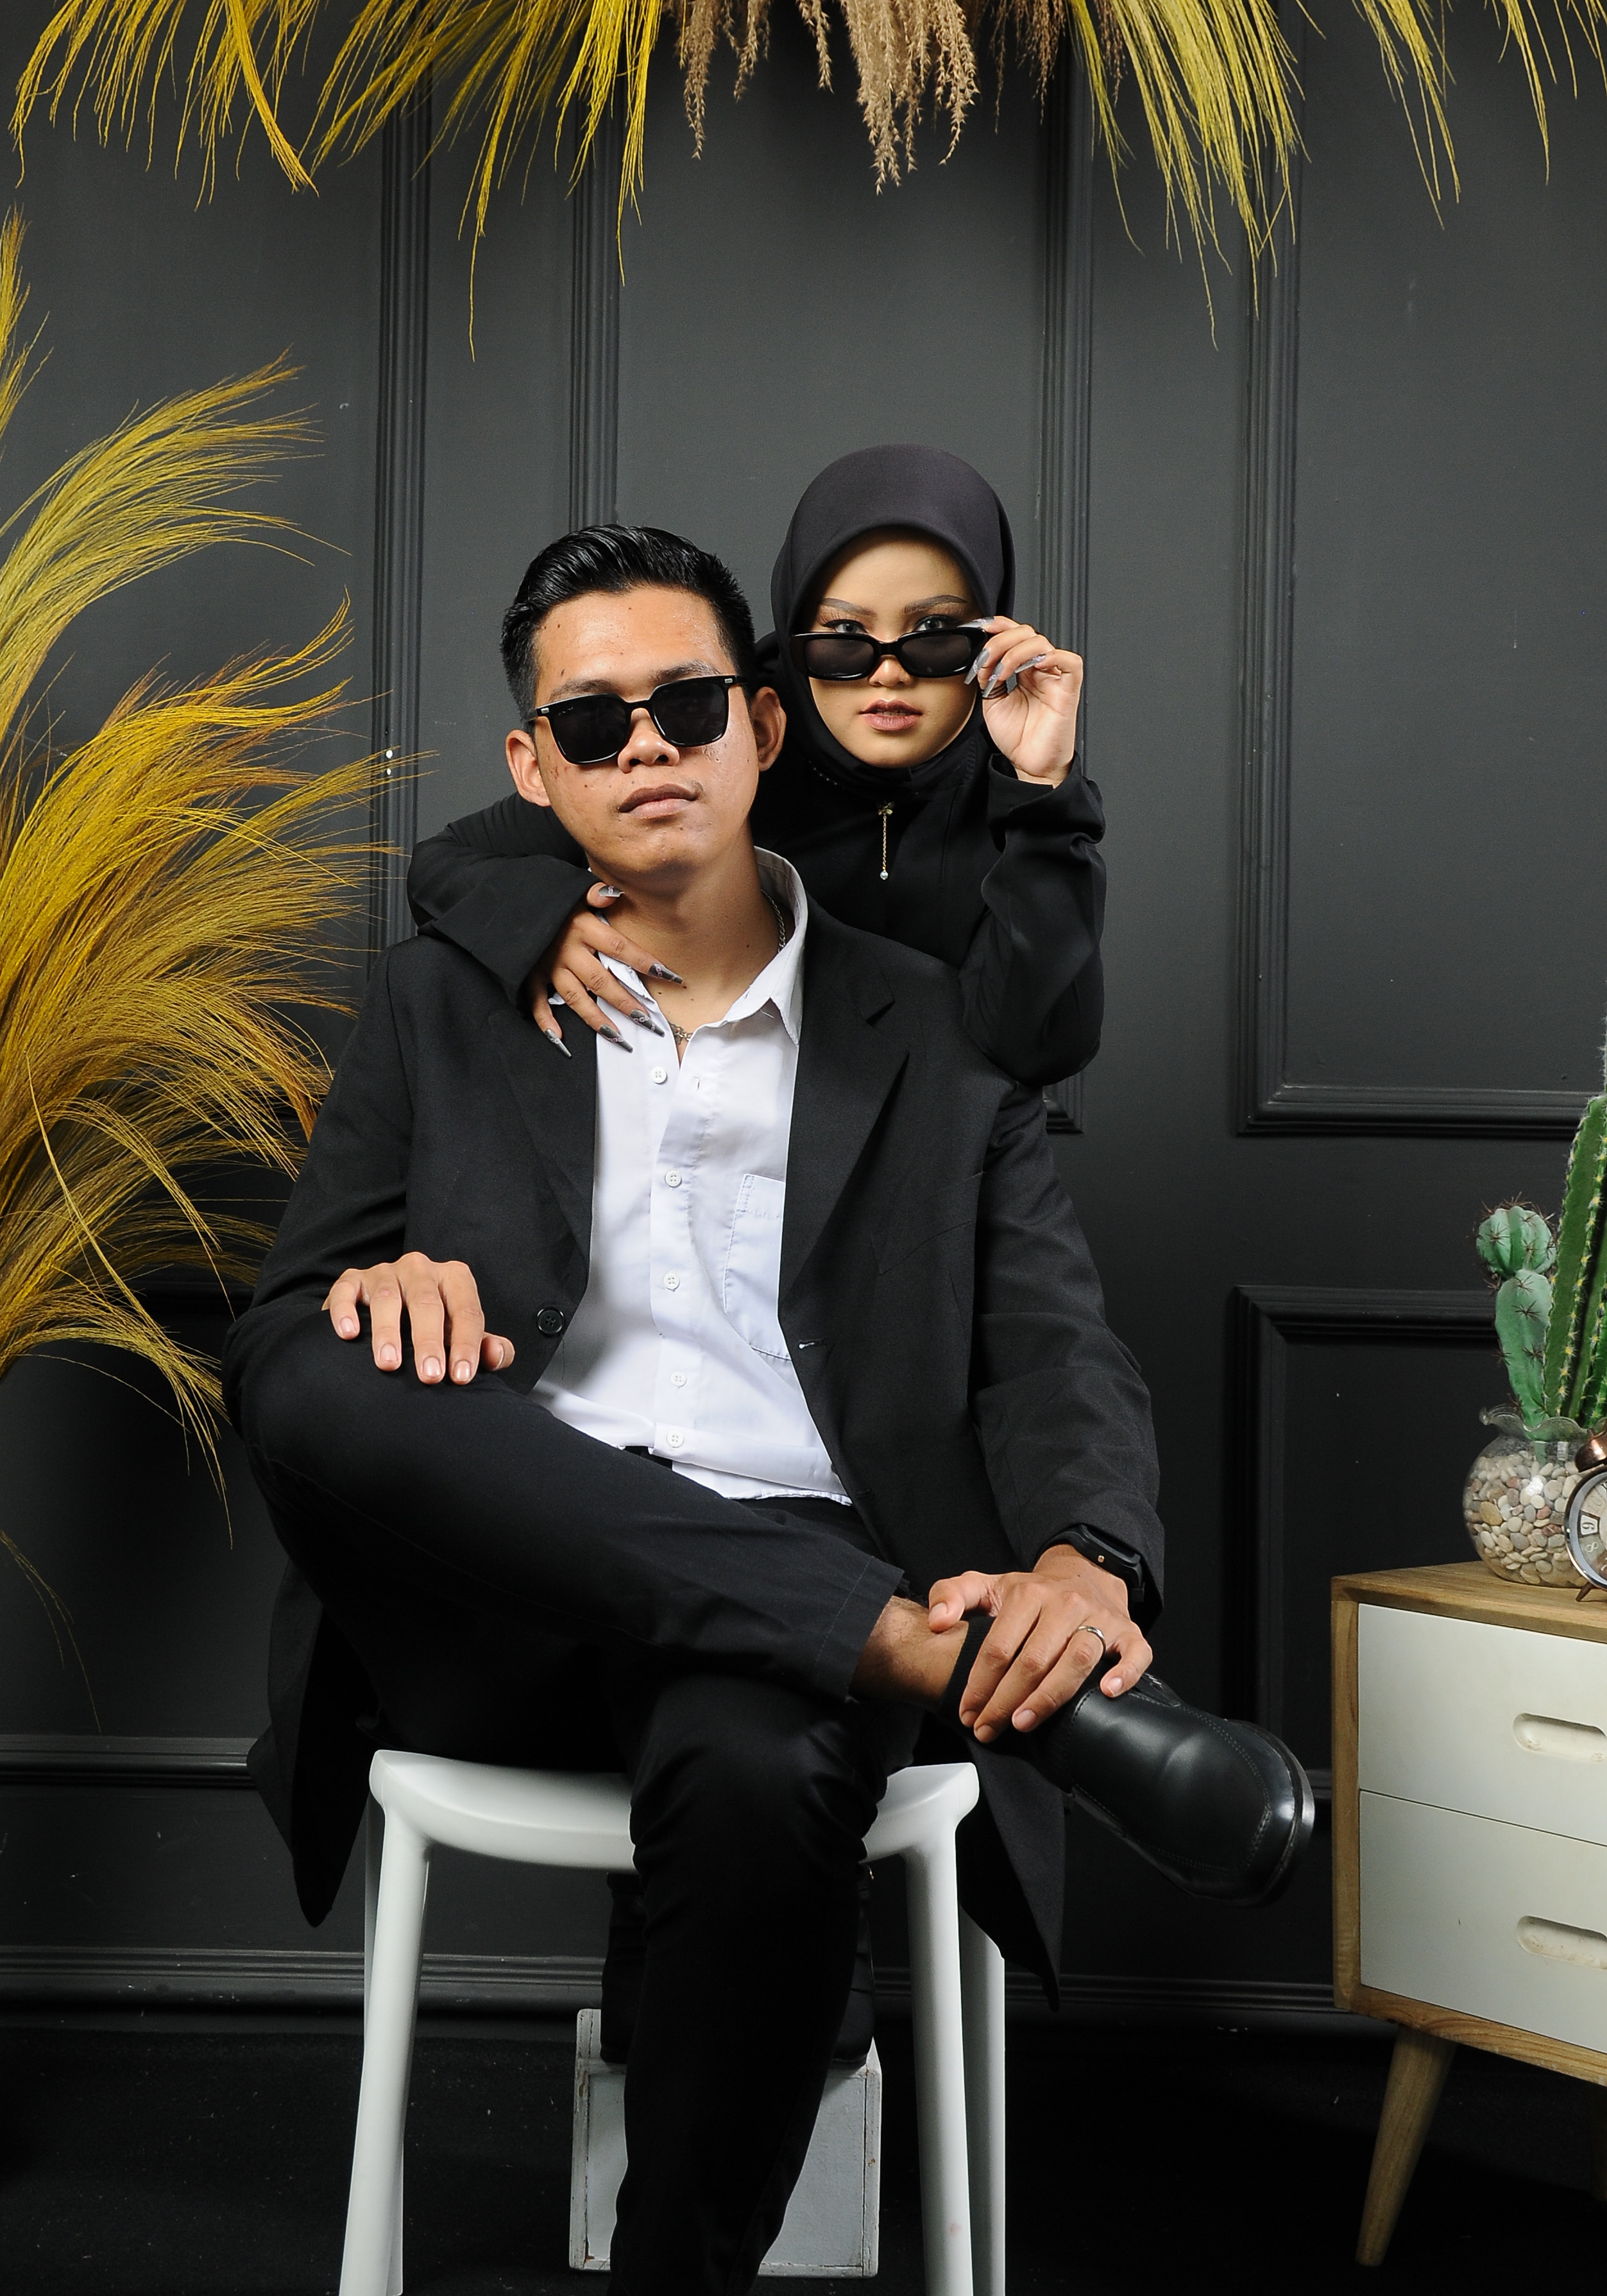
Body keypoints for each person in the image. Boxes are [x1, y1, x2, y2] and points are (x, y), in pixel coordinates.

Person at [225, 526, 1308, 2296]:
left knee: (764, 1767)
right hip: (496, 1583)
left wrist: (1085, 1562)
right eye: (593, 724)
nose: (645, 746)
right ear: (532, 767)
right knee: (307, 1375)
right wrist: (379, 1289)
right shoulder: (443, 993)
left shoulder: (938, 1028)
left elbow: (1055, 1347)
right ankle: (909, 1649)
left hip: (778, 1602)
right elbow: (289, 1334)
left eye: (686, 703)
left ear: (760, 725)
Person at [405, 443, 1103, 1085]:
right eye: (843, 634)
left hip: (928, 1146)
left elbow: (1036, 1048)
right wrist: (543, 922)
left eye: (934, 632)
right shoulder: (709, 730)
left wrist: (1042, 792)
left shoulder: (1017, 766)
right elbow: (445, 865)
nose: (887, 673)